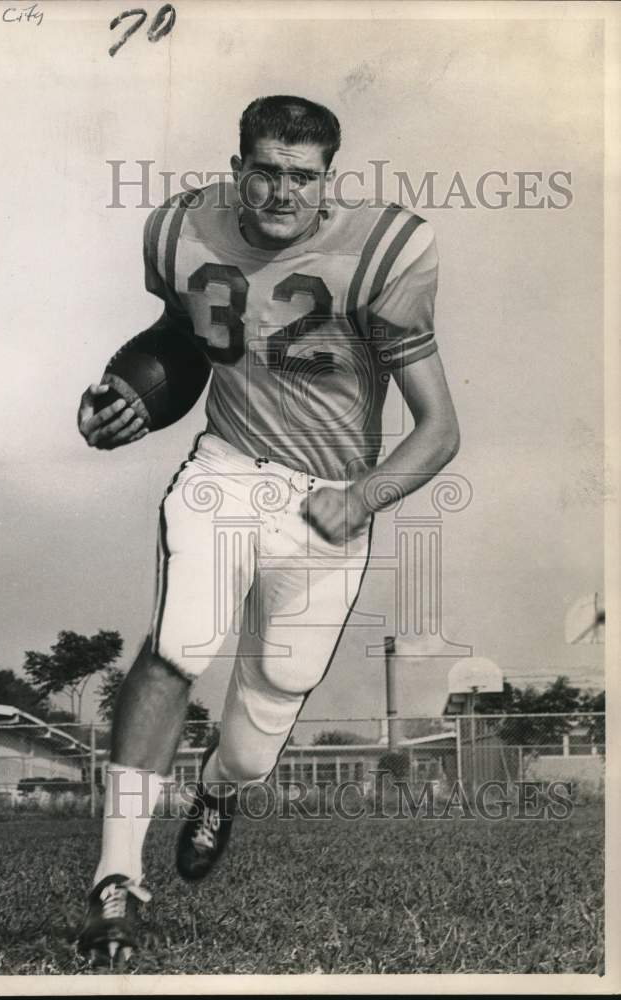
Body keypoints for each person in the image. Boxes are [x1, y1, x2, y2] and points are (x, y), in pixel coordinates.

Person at [76, 95, 460, 962]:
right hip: (226, 470)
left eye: (303, 175)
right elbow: (187, 333)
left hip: (328, 498)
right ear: (236, 165)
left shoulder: (382, 254)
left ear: (329, 182)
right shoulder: (184, 229)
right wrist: (133, 387)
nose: (282, 191)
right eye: (265, 170)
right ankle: (115, 879)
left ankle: (219, 789)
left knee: (267, 712)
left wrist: (363, 497)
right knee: (178, 645)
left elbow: (439, 429)